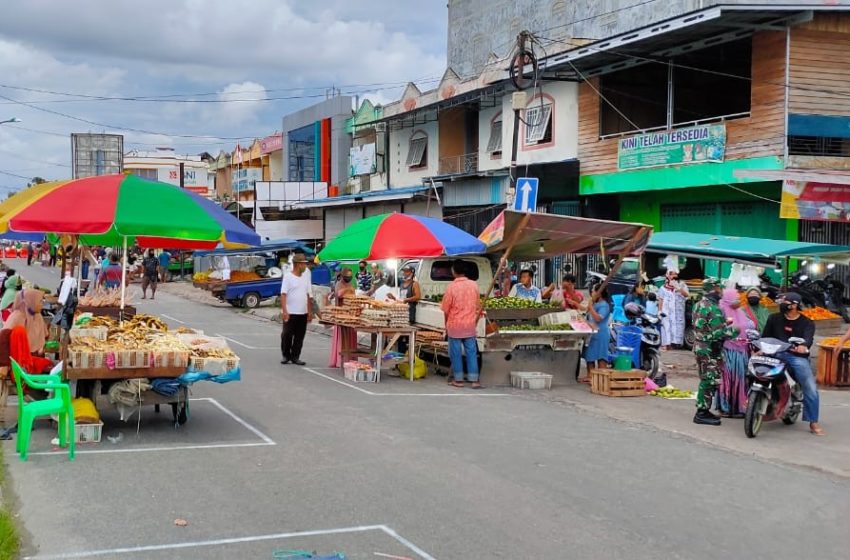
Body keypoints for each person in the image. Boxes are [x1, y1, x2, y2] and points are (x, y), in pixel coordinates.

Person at [762, 292, 824, 436]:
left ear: (795, 305)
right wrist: (759, 348)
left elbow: (808, 339)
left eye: (786, 302)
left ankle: (813, 421)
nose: (782, 305)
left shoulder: (807, 323)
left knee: (810, 386)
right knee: (754, 370)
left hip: (796, 356)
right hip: (775, 353)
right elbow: (765, 337)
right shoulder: (774, 318)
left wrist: (803, 346)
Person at [691, 278, 737, 426]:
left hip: (701, 346)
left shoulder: (699, 304)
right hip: (710, 348)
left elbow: (704, 325)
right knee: (709, 380)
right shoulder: (713, 308)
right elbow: (719, 333)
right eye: (720, 288)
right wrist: (735, 330)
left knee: (706, 378)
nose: (722, 291)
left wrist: (723, 323)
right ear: (714, 289)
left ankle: (704, 409)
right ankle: (701, 412)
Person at [442, 260, 482, 389]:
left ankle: (458, 380)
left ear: (454, 271)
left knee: (456, 353)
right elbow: (478, 305)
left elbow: (446, 309)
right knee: (471, 352)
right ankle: (474, 380)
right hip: (470, 325)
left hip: (455, 324)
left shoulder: (451, 287)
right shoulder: (474, 285)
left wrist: (446, 324)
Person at [717, 287, 754, 418]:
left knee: (740, 378)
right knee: (727, 379)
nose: (738, 300)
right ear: (728, 299)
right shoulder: (721, 311)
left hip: (742, 350)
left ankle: (739, 407)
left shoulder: (741, 312)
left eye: (738, 298)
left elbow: (751, 326)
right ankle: (725, 408)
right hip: (727, 350)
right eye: (735, 298)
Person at [280, 254, 313, 366]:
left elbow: (308, 295)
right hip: (290, 312)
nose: (305, 266)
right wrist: (285, 311)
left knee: (300, 336)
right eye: (304, 263)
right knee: (287, 334)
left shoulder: (306, 276)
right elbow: (283, 295)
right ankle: (286, 355)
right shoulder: (288, 277)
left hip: (302, 312)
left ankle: (295, 356)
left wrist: (309, 311)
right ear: (298, 264)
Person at [581, 283, 613, 383]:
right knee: (589, 356)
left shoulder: (604, 305)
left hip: (601, 334)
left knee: (601, 357)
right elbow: (585, 311)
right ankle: (590, 376)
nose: (592, 292)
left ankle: (601, 378)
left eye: (594, 291)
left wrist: (591, 308)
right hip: (591, 334)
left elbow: (598, 318)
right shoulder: (594, 303)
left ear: (599, 293)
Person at [328, 268, 357, 368]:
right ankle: (341, 359)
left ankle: (351, 358)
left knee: (351, 335)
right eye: (347, 277)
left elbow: (354, 295)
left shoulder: (351, 285)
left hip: (351, 313)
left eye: (350, 277)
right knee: (342, 336)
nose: (348, 279)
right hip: (341, 313)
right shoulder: (338, 284)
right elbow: (338, 294)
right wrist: (346, 290)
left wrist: (350, 290)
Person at [5, 289, 48, 354]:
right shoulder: (16, 317)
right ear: (31, 302)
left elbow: (43, 337)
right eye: (40, 301)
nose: (42, 304)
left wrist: (41, 349)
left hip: (35, 355)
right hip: (18, 356)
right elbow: (5, 340)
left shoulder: (37, 316)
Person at [658, 269, 689, 350]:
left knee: (677, 328)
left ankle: (676, 345)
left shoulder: (682, 285)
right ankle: (667, 344)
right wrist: (660, 311)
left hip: (678, 313)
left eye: (675, 274)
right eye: (671, 274)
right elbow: (661, 299)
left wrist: (678, 288)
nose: (674, 276)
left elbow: (686, 295)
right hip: (667, 313)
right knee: (666, 328)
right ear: (667, 276)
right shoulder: (663, 288)